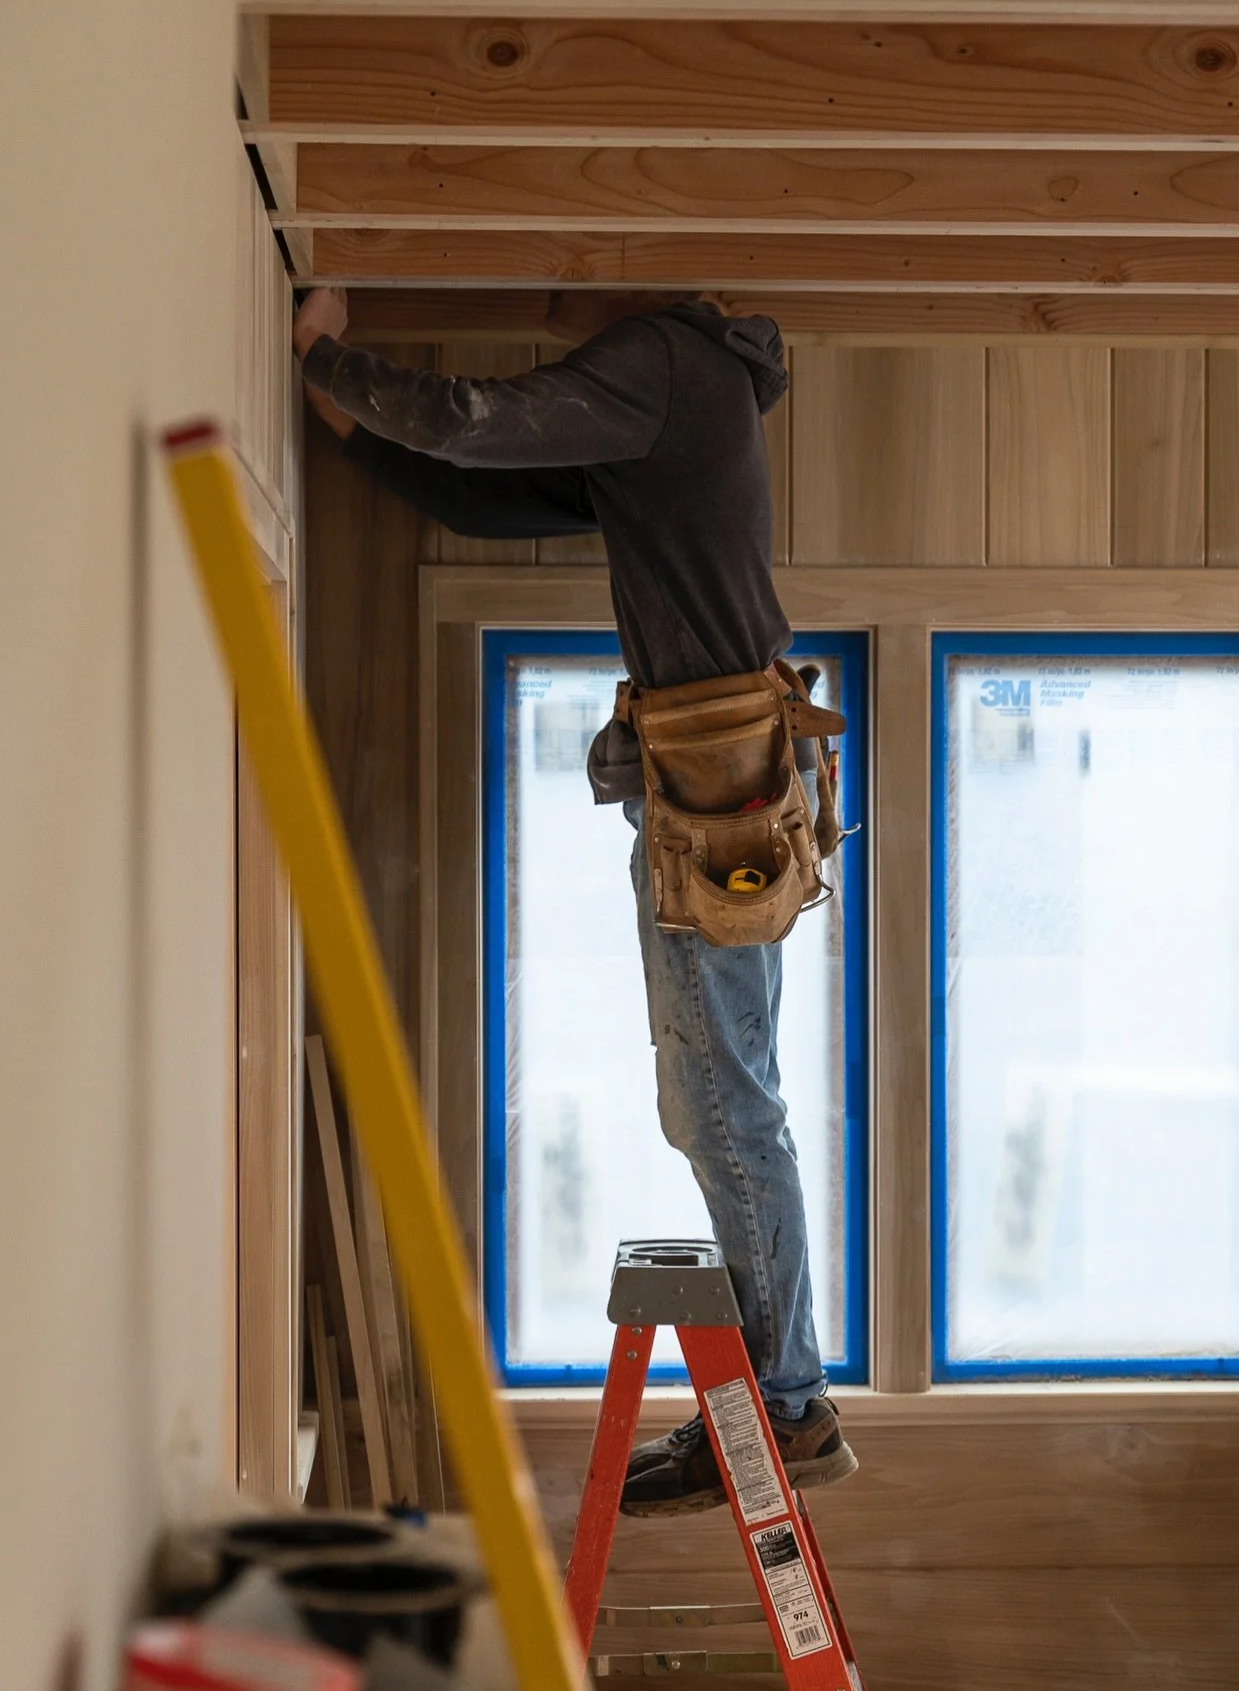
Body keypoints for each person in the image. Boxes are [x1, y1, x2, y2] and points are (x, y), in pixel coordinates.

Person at [292, 285, 857, 1515]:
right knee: (720, 1095)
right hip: (726, 777)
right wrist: (347, 424)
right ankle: (786, 1394)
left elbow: (472, 419)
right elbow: (486, 494)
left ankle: (788, 1404)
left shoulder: (660, 360)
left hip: (722, 782)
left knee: (721, 1102)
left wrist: (328, 357)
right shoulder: (677, 394)